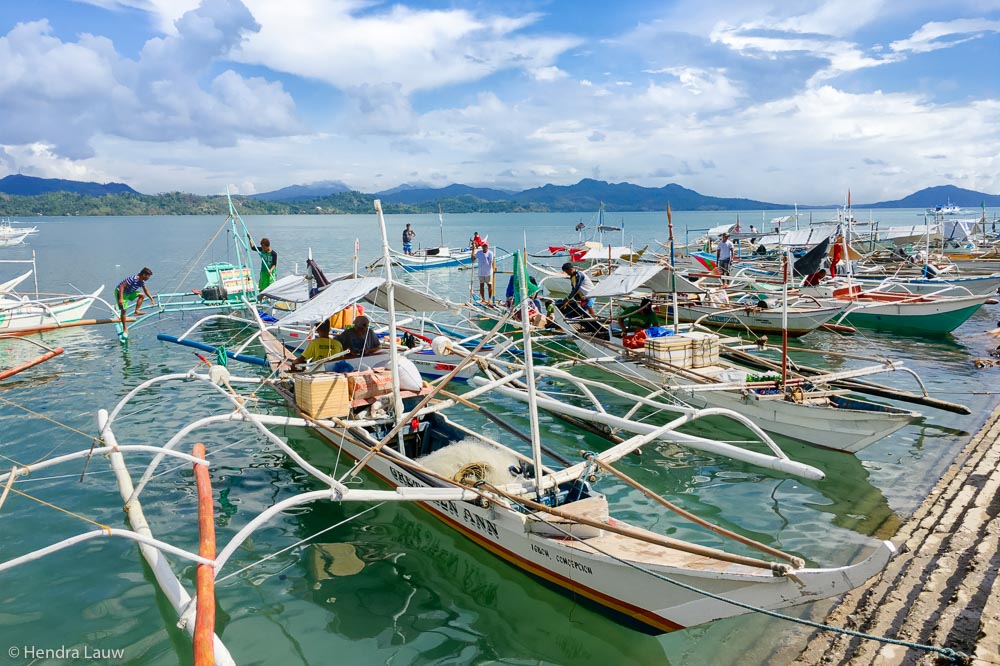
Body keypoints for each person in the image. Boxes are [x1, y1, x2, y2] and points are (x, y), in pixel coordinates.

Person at [115, 267, 154, 335]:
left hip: (129, 292)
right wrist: (121, 299)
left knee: (142, 295)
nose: (148, 278)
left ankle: (137, 311)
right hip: (121, 292)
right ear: (144, 274)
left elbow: (145, 290)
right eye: (148, 276)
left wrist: (151, 298)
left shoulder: (141, 281)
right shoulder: (133, 279)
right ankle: (124, 328)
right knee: (124, 310)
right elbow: (121, 287)